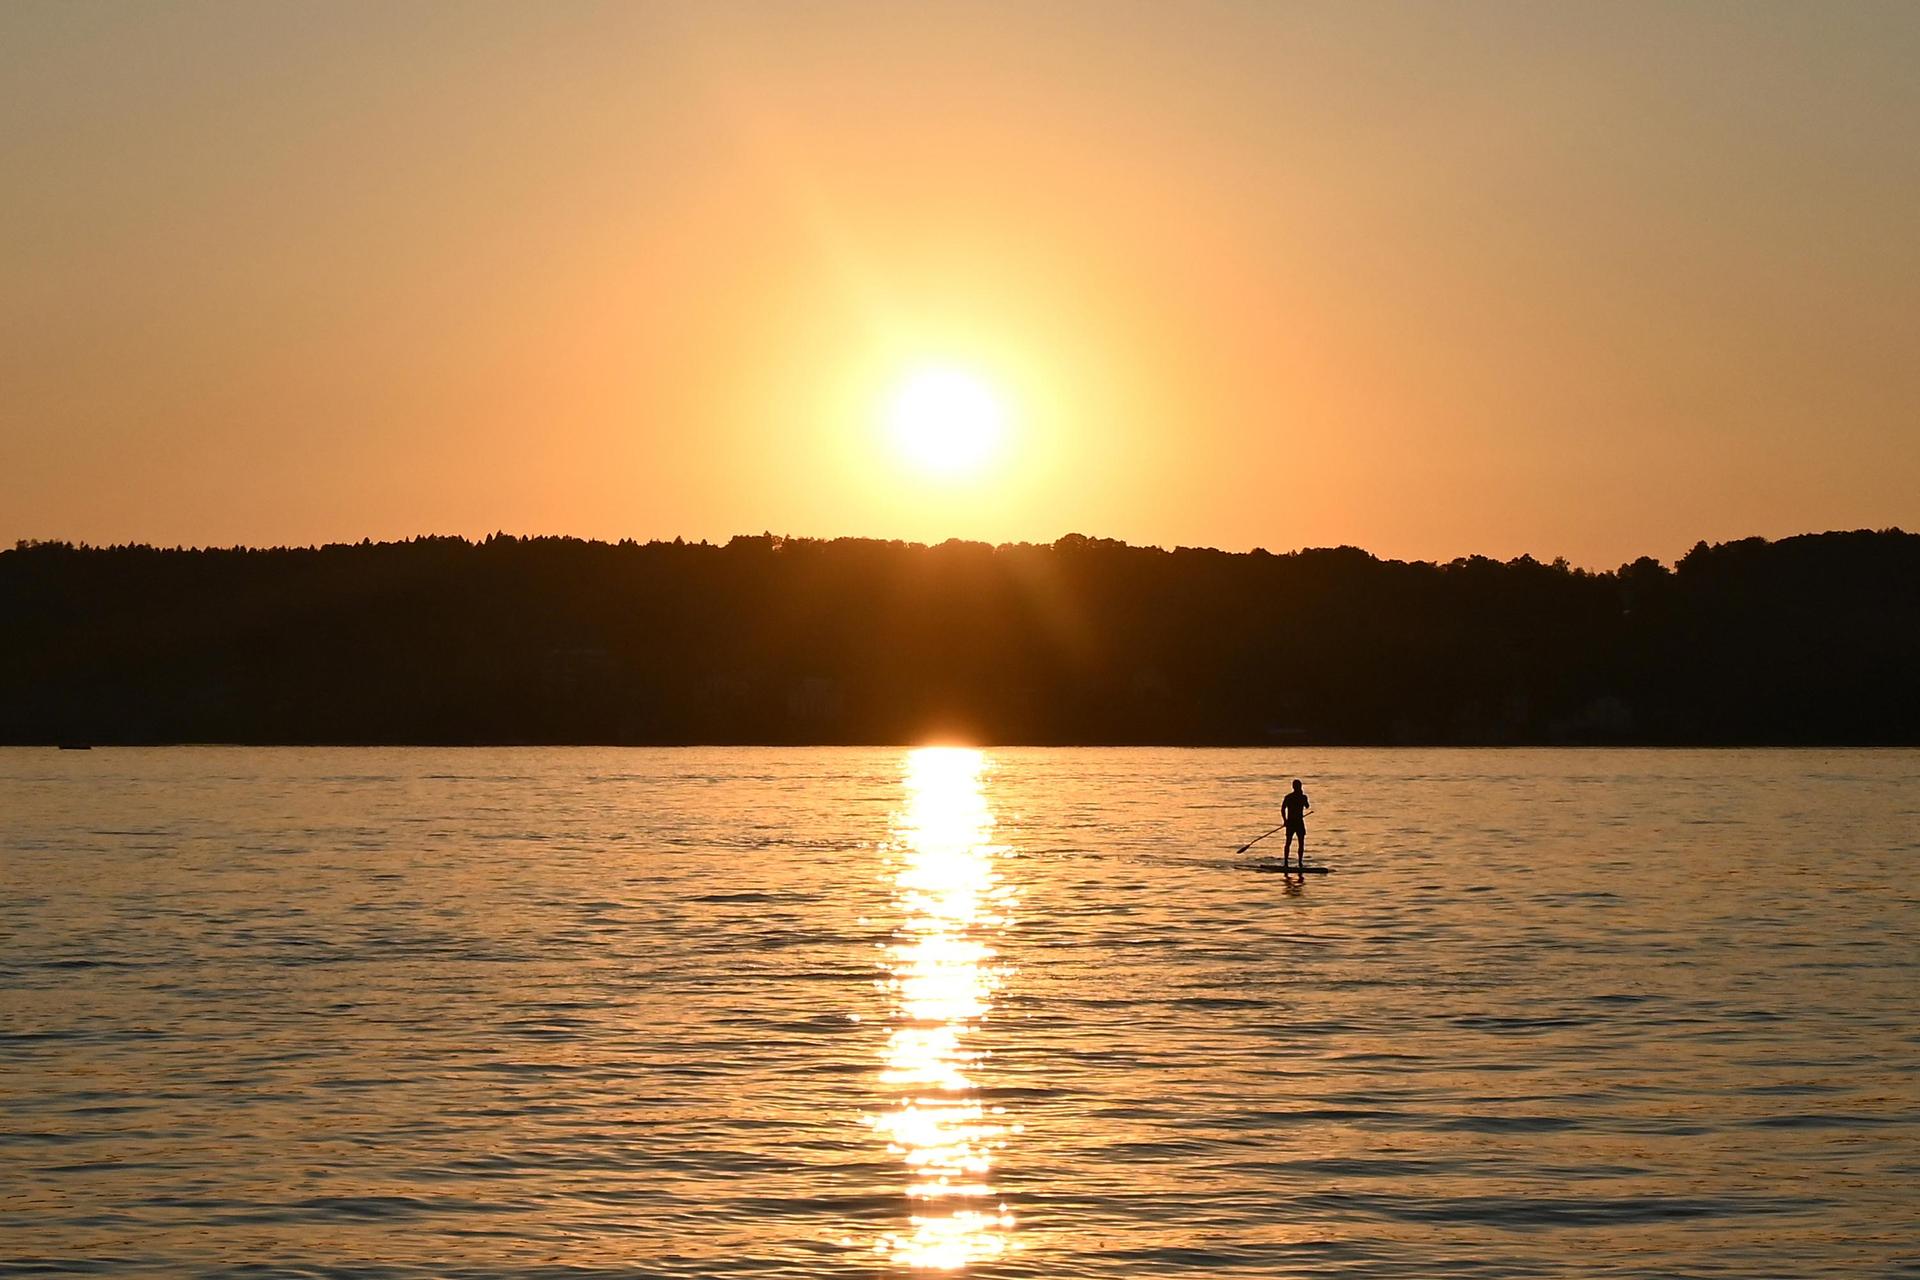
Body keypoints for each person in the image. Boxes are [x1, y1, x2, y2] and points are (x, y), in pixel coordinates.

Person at [1280, 779, 1311, 869]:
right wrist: (1285, 820)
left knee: (1300, 843)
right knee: (1289, 842)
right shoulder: (1289, 797)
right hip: (1291, 822)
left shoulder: (1302, 797)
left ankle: (1299, 862)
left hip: (1298, 822)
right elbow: (1283, 809)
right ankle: (1286, 862)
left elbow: (1307, 806)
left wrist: (1304, 797)